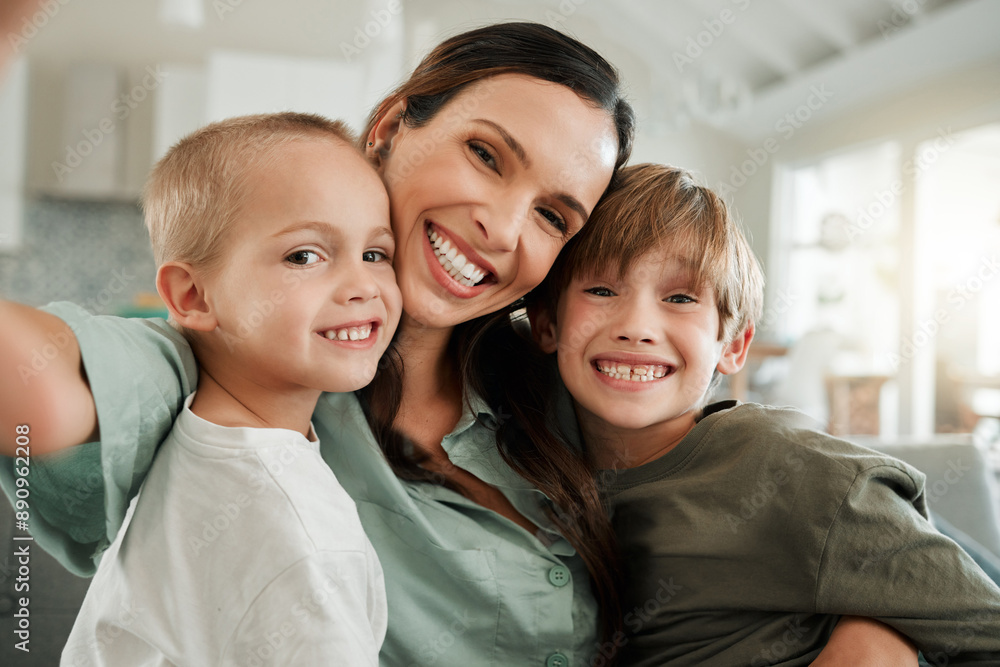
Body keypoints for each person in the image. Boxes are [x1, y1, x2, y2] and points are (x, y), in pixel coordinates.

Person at [0, 22, 918, 665]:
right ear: (396, 124)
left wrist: (873, 637)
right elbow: (33, 388)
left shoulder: (556, 391)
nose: (501, 226)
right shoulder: (246, 364)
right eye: (487, 155)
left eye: (554, 214)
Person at [527, 162, 1000, 665]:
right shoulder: (517, 453)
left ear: (733, 345)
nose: (637, 326)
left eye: (681, 297)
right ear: (546, 323)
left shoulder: (799, 474)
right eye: (602, 290)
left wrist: (879, 641)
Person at [61, 113, 400, 666]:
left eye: (375, 254)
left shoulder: (199, 435)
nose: (363, 286)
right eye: (304, 256)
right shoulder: (301, 540)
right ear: (193, 296)